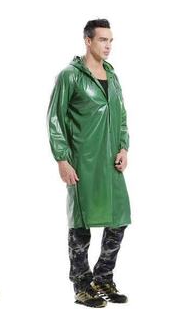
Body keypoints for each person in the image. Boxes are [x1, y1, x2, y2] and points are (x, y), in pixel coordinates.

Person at [47, 19, 131, 307]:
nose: (108, 46)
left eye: (111, 40)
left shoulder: (112, 76)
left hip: (111, 163)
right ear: (88, 41)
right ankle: (82, 286)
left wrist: (124, 147)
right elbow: (55, 118)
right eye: (102, 40)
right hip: (82, 161)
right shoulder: (69, 76)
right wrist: (62, 159)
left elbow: (121, 115)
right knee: (81, 226)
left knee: (119, 220)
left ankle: (103, 278)